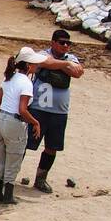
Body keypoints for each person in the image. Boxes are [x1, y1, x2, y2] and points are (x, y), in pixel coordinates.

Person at [25, 29, 86, 193]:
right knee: (24, 143)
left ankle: (41, 178)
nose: (65, 46)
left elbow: (78, 72)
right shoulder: (44, 54)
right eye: (62, 42)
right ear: (53, 42)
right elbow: (43, 62)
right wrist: (65, 64)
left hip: (59, 112)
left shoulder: (71, 58)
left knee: (52, 147)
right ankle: (9, 175)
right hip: (38, 108)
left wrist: (59, 64)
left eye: (68, 43)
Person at [0, 47, 47, 205]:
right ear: (28, 66)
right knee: (13, 160)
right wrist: (35, 122)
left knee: (1, 160)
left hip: (0, 118)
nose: (37, 67)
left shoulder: (9, 77)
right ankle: (8, 196)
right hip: (14, 123)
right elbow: (22, 110)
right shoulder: (26, 83)